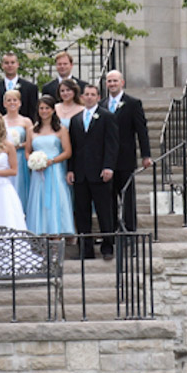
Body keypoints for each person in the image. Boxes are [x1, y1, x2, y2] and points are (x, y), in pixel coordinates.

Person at [67, 83, 117, 259]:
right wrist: (70, 169)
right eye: (86, 94)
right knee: (82, 213)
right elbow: (73, 147)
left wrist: (108, 166)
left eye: (92, 94)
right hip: (80, 174)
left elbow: (111, 144)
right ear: (81, 97)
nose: (88, 97)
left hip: (100, 172)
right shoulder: (75, 119)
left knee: (104, 211)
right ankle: (85, 249)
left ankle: (107, 246)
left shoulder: (107, 116)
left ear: (97, 97)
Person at [104, 69, 153, 232]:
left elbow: (141, 130)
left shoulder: (133, 103)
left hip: (125, 158)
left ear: (122, 82)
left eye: (115, 81)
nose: (112, 84)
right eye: (109, 81)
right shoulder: (101, 105)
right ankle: (112, 229)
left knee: (127, 197)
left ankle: (129, 230)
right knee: (109, 198)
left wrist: (146, 155)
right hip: (106, 161)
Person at [26, 95, 75, 237]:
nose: (44, 111)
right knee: (38, 202)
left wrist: (51, 161)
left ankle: (55, 238)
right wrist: (34, 162)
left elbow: (67, 152)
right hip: (38, 173)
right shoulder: (32, 130)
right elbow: (28, 152)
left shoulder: (61, 129)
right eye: (41, 108)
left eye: (47, 108)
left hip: (54, 171)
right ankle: (40, 238)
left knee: (54, 202)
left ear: (53, 110)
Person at [2, 88, 32, 216]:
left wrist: (19, 145)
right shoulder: (1, 120)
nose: (12, 103)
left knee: (21, 189)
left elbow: (30, 142)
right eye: (9, 100)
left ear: (20, 103)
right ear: (4, 103)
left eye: (15, 100)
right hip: (5, 159)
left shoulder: (26, 121)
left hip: (20, 158)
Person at [0, 51, 39, 120]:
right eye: (6, 63)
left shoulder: (30, 88)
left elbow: (33, 113)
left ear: (17, 64)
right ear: (2, 65)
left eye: (12, 62)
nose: (9, 65)